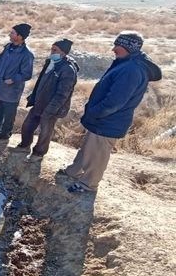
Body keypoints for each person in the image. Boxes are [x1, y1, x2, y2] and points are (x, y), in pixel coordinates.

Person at [62, 31, 161, 193]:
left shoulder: (131, 70)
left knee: (97, 154)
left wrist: (94, 113)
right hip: (103, 119)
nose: (113, 49)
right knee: (89, 148)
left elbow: (115, 101)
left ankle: (88, 185)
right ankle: (74, 171)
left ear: (128, 48)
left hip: (109, 121)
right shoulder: (125, 63)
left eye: (118, 46)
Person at [16, 39, 79, 159]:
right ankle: (24, 145)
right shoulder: (50, 62)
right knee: (27, 125)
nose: (52, 52)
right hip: (39, 102)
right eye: (51, 49)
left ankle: (39, 153)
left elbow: (63, 94)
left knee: (45, 131)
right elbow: (41, 81)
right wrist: (34, 97)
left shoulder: (68, 70)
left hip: (52, 106)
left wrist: (50, 110)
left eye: (55, 50)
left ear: (63, 53)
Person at [0, 23, 34, 141]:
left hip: (12, 91)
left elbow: (27, 74)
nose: (10, 34)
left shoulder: (26, 54)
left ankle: (4, 136)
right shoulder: (8, 47)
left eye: (13, 33)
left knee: (9, 115)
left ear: (19, 36)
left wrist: (13, 79)